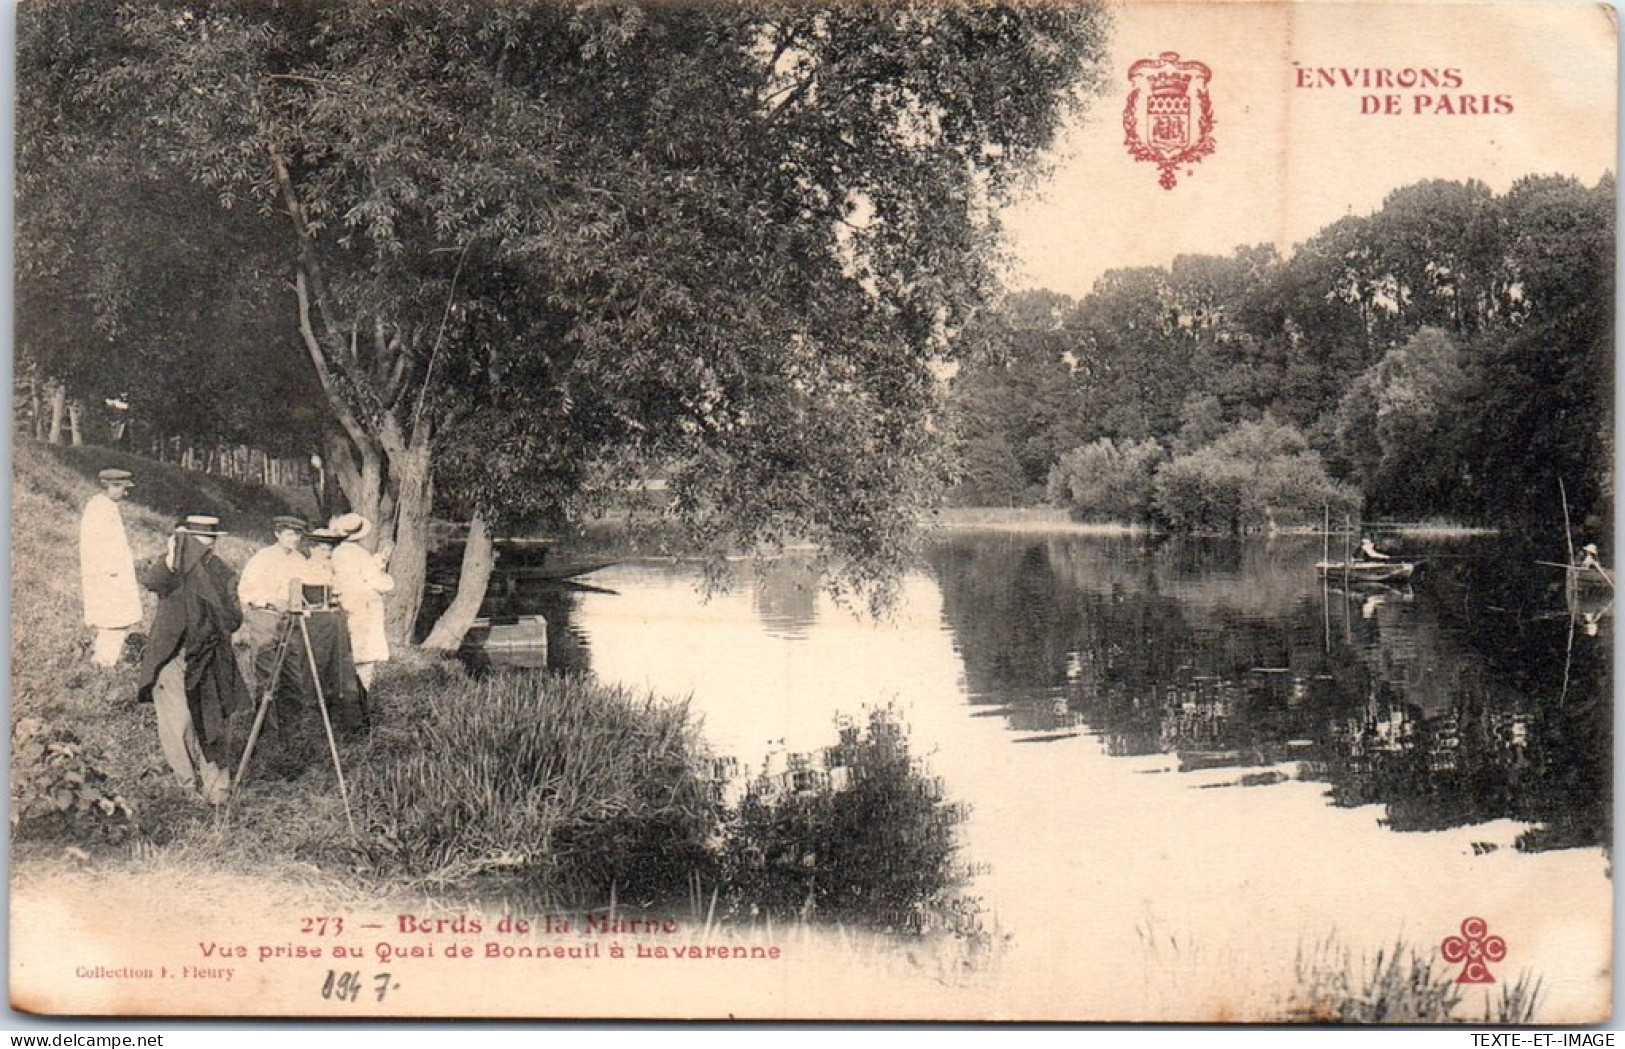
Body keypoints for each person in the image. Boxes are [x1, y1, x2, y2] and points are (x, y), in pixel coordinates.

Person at [134, 514, 250, 805]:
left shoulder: (221, 572)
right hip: (174, 657)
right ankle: (187, 787)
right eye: (197, 541)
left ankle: (217, 789)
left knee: (212, 722)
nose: (203, 547)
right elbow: (151, 580)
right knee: (180, 722)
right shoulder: (172, 568)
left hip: (209, 658)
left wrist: (217, 621)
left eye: (209, 541)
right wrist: (173, 556)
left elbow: (235, 618)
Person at [237, 516, 312, 695]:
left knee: (293, 675)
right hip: (266, 618)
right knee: (267, 674)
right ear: (277, 534)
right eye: (289, 534)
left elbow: (304, 591)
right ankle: (265, 721)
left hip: (291, 621)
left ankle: (290, 721)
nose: (294, 539)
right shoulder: (263, 558)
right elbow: (245, 590)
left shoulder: (299, 559)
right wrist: (270, 601)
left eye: (298, 535)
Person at [79, 468, 144, 668]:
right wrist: (110, 571)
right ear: (111, 486)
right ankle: (105, 663)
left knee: (114, 620)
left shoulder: (104, 505)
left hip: (111, 573)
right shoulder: (100, 508)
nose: (126, 493)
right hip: (108, 575)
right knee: (114, 619)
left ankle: (102, 660)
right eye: (122, 488)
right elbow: (98, 545)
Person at [327, 513, 395, 690]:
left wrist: (375, 564)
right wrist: (382, 570)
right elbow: (379, 583)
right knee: (365, 656)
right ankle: (362, 696)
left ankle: (347, 694)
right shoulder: (360, 554)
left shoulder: (337, 553)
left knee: (349, 651)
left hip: (346, 604)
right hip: (364, 607)